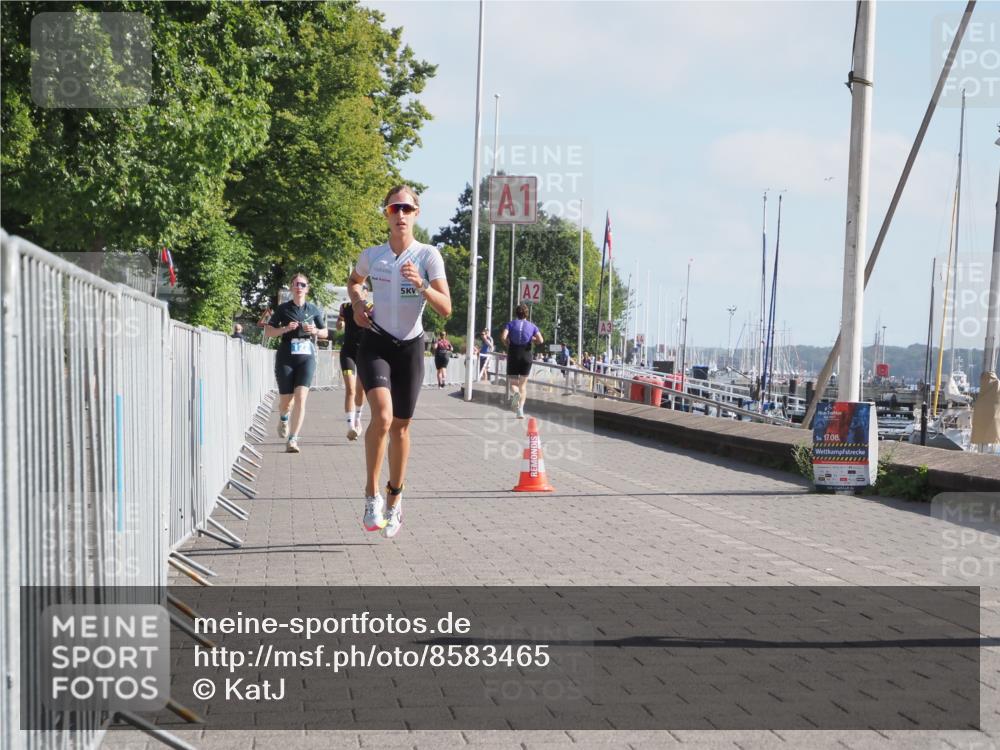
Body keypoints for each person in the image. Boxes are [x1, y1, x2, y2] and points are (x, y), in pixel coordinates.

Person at [347, 185, 451, 539]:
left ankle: (395, 498)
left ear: (416, 213)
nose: (401, 215)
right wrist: (359, 305)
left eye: (407, 208)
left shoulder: (428, 256)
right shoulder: (373, 255)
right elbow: (354, 282)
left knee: (402, 428)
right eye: (395, 209)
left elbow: (446, 308)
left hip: (410, 348)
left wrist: (422, 285)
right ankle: (370, 495)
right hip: (376, 343)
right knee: (383, 417)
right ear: (386, 214)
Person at [262, 273, 328, 453]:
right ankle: (283, 417)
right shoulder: (283, 309)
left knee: (301, 397)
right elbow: (268, 332)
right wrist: (285, 328)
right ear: (291, 288)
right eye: (296, 284)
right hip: (286, 357)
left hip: (306, 357)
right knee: (286, 402)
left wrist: (314, 330)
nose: (299, 287)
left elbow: (325, 333)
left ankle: (293, 439)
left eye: (303, 284)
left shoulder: (313, 309)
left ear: (308, 288)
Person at [501, 304, 543, 419]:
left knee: (513, 384)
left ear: (516, 313)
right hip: (526, 355)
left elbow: (503, 337)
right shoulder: (532, 326)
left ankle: (515, 395)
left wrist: (507, 344)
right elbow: (541, 340)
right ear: (526, 314)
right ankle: (520, 410)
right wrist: (532, 339)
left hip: (514, 354)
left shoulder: (510, 324)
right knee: (523, 386)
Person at [337, 296, 367, 441]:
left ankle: (358, 418)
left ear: (367, 293)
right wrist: (339, 324)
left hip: (364, 353)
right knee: (351, 389)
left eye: (363, 290)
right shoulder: (345, 307)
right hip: (347, 353)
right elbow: (340, 322)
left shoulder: (372, 308)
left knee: (360, 390)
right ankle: (351, 428)